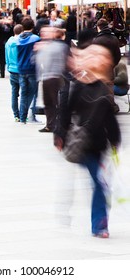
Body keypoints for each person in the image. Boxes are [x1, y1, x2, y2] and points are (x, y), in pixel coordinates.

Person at [54, 44, 121, 238]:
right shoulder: (76, 85)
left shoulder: (103, 87)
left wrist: (115, 139)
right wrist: (59, 135)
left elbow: (110, 117)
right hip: (82, 145)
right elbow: (64, 113)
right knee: (100, 183)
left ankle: (99, 224)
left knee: (99, 183)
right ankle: (100, 225)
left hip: (99, 143)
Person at [35, 26, 69, 132]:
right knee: (48, 102)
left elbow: (65, 61)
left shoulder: (58, 46)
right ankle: (50, 124)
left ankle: (58, 124)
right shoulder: (45, 45)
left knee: (55, 101)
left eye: (46, 32)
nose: (43, 34)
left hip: (55, 76)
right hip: (46, 77)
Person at [92, 18, 121, 113]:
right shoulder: (114, 39)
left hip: (100, 68)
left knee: (99, 88)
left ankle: (102, 108)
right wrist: (113, 64)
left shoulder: (97, 40)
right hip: (110, 67)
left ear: (99, 27)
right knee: (109, 88)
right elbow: (118, 55)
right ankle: (111, 107)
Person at [16, 16, 40, 124]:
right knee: (34, 93)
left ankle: (22, 117)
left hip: (21, 68)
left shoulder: (18, 39)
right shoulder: (35, 39)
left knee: (24, 93)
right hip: (32, 69)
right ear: (32, 27)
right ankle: (32, 116)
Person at [5, 24, 23, 121]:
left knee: (14, 93)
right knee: (24, 93)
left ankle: (16, 114)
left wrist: (8, 66)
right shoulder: (21, 43)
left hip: (12, 69)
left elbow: (6, 57)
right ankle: (23, 114)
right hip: (20, 69)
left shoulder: (8, 42)